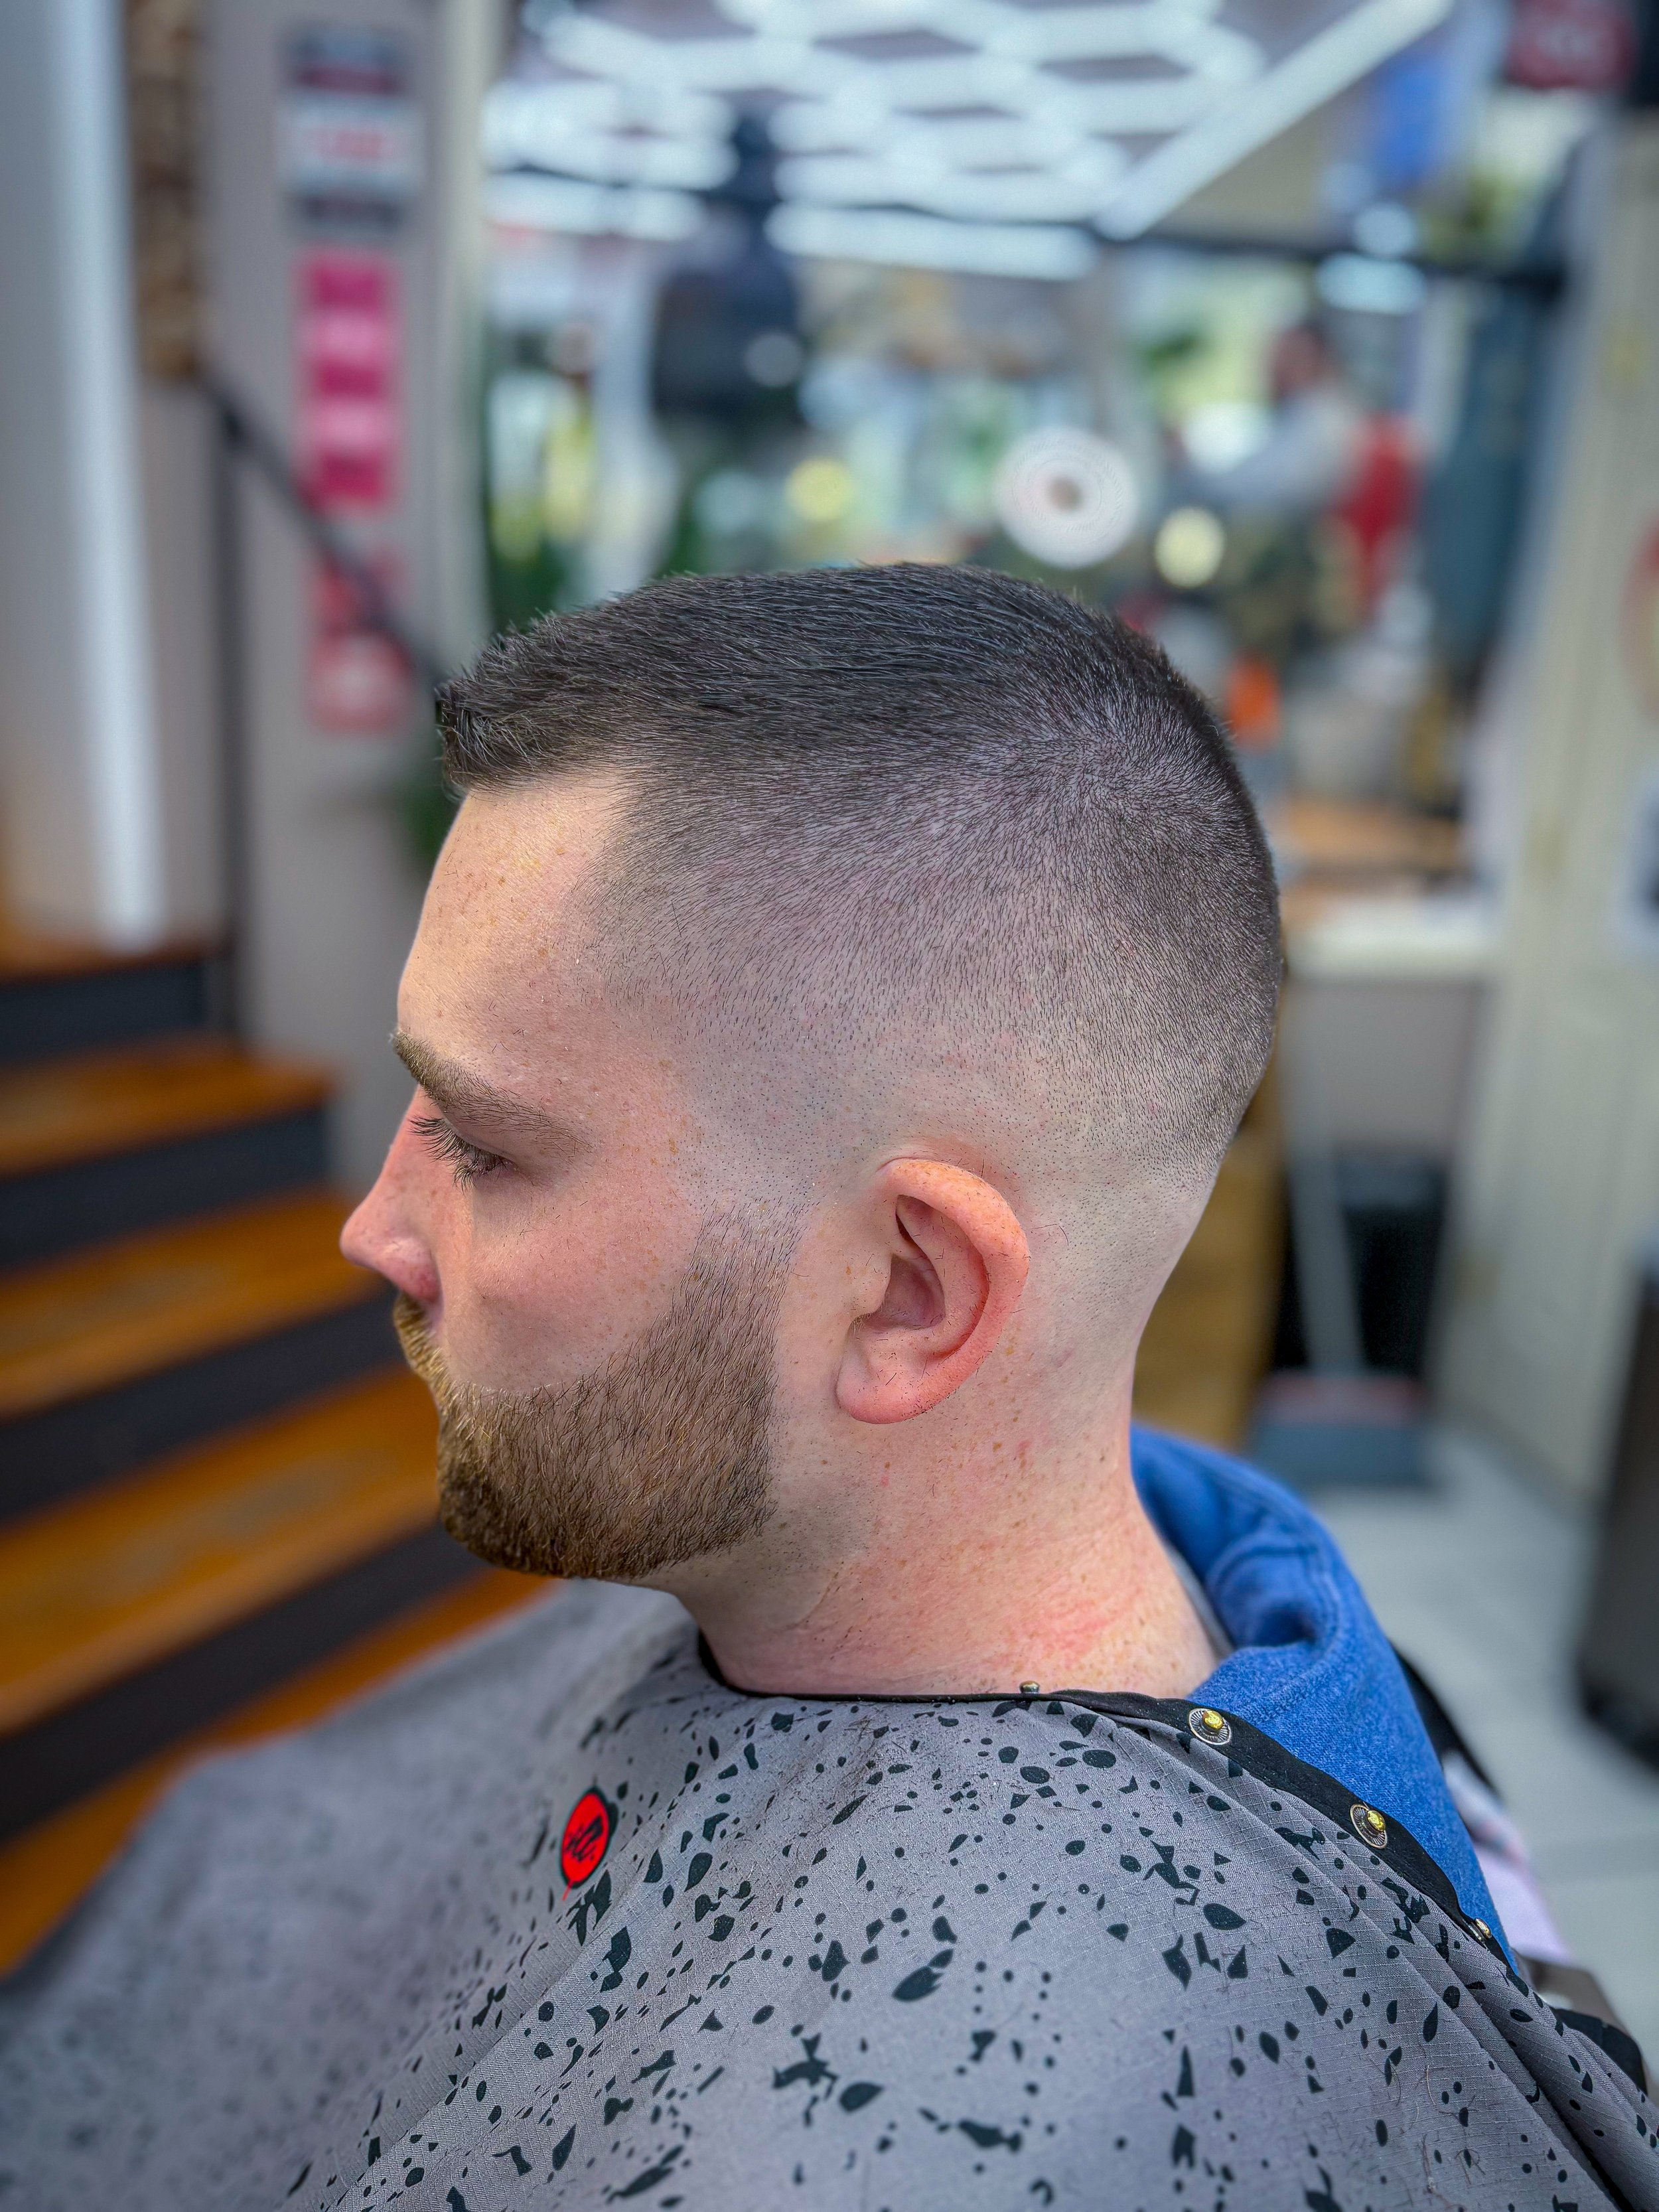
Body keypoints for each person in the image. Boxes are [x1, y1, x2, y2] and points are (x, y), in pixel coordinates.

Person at [1, 566, 1650, 2211]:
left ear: (906, 1292)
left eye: (484, 1145)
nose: (374, 1229)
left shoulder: (1000, 2130)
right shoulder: (1210, 1582)